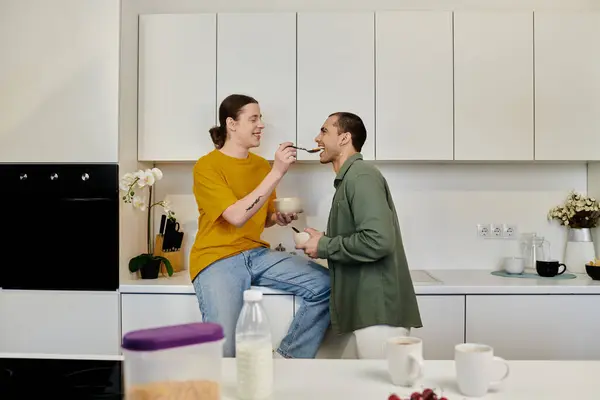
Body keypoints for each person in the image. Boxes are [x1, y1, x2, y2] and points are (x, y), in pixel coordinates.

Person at [190, 94, 331, 359]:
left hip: (256, 253)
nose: (261, 125)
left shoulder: (259, 165)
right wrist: (277, 172)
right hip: (217, 257)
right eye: (253, 118)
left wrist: (277, 218)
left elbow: (261, 215)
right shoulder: (206, 166)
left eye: (261, 118)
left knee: (326, 286)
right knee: (224, 348)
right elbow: (235, 216)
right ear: (231, 124)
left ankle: (287, 357)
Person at [295, 112, 422, 359]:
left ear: (344, 138)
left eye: (324, 131)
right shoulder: (350, 179)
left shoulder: (361, 176)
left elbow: (378, 241)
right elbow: (364, 236)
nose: (316, 138)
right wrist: (323, 238)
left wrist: (324, 245)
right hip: (363, 309)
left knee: (383, 392)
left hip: (377, 311)